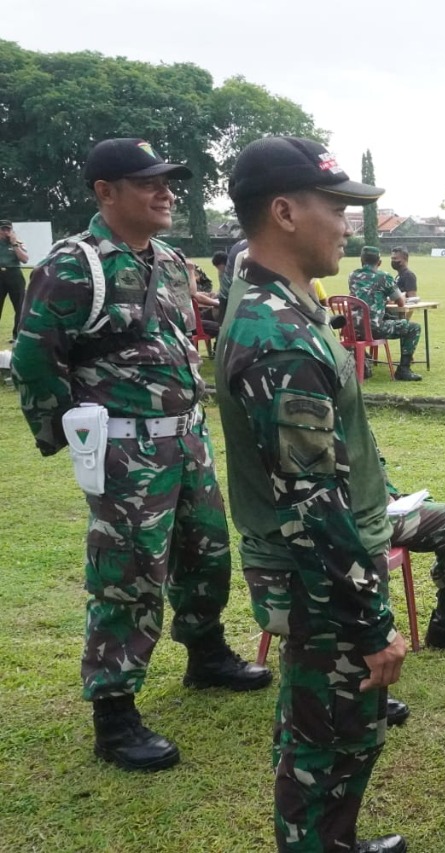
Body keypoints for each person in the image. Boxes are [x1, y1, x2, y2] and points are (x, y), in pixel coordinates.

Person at [218, 135, 445, 853]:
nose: (348, 224)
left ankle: (333, 842)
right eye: (336, 207)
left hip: (327, 568)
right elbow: (313, 505)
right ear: (283, 211)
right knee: (328, 736)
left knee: (339, 724)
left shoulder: (288, 305)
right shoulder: (278, 335)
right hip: (322, 577)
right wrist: (373, 623)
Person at [11, 137, 271, 773]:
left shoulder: (171, 261)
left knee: (205, 553)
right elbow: (34, 358)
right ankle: (115, 711)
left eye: (168, 181)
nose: (166, 191)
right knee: (127, 577)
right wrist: (72, 440)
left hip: (187, 438)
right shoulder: (74, 265)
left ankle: (205, 653)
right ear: (105, 192)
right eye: (148, 182)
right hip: (126, 450)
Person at [348, 246, 422, 381]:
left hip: (353, 329)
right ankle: (404, 369)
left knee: (387, 318)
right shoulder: (384, 277)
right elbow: (400, 302)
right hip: (374, 329)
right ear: (379, 262)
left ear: (361, 260)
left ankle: (364, 361)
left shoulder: (352, 276)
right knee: (414, 328)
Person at [0, 219, 30, 343]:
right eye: (3, 229)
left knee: (20, 306)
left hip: (15, 275)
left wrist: (14, 244)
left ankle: (17, 335)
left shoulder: (17, 243)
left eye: (9, 229)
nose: (6, 232)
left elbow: (25, 259)